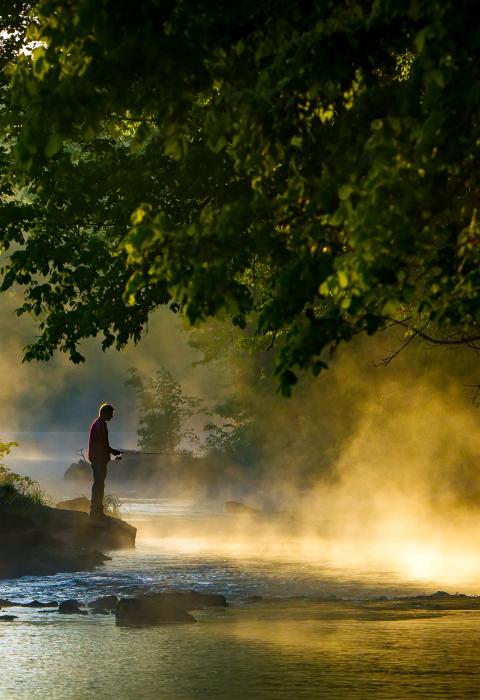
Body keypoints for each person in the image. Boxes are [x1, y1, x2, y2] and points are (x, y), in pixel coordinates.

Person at [88, 403, 121, 520]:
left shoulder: (99, 423)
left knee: (99, 483)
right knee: (98, 484)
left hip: (98, 458)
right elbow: (103, 444)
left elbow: (102, 444)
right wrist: (113, 451)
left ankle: (96, 510)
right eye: (111, 414)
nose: (112, 416)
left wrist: (111, 453)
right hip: (98, 459)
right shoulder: (100, 425)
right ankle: (95, 511)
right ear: (105, 413)